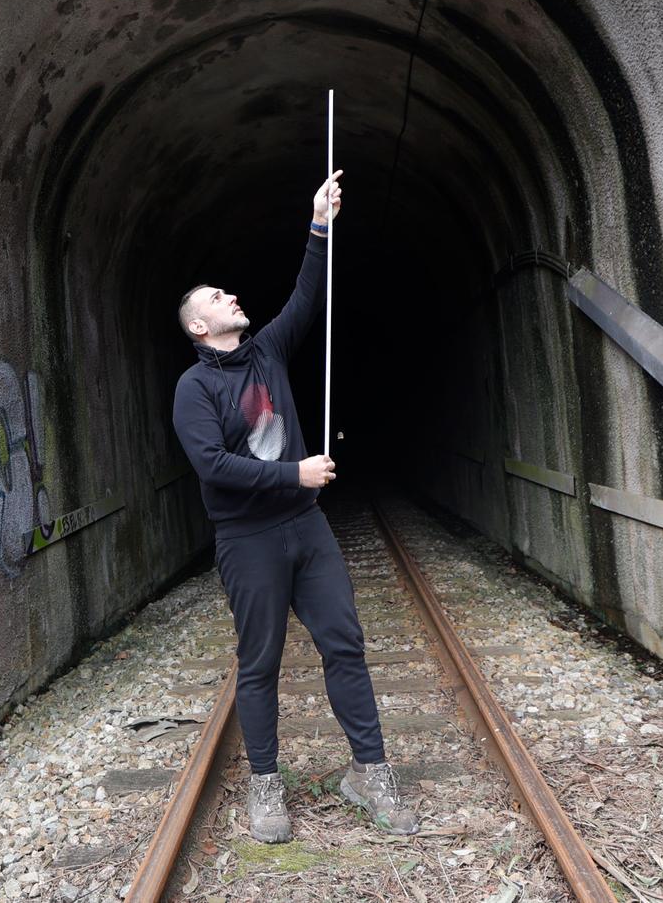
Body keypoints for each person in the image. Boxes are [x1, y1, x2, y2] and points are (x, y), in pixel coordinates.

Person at [171, 170, 417, 844]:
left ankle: (370, 771)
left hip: (305, 529)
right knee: (260, 665)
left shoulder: (268, 352)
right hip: (248, 541)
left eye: (228, 289)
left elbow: (308, 297)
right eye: (216, 296)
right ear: (199, 325)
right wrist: (295, 471)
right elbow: (214, 468)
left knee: (345, 643)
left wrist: (319, 222)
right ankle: (267, 787)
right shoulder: (193, 390)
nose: (230, 294)